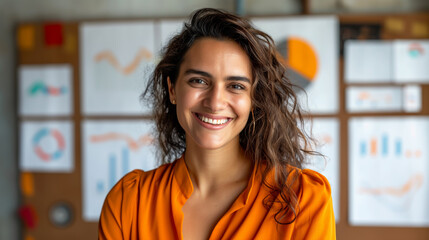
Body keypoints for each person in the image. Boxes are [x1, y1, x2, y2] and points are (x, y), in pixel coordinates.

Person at [98, 8, 336, 240]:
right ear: (172, 89)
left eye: (236, 86)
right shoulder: (130, 201)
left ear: (254, 99)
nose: (215, 102)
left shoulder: (302, 200)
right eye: (199, 80)